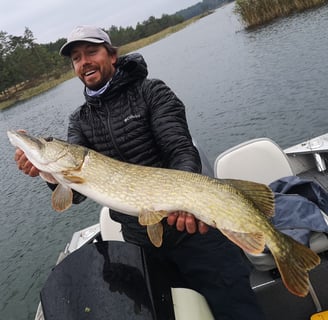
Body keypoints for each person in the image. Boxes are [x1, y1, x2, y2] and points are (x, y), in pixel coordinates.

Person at [14, 25, 265, 319]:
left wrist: (183, 201)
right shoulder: (79, 122)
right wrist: (47, 174)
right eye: (76, 58)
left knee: (238, 312)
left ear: (113, 56)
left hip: (194, 235)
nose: (84, 62)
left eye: (91, 52)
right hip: (142, 245)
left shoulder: (151, 92)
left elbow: (182, 151)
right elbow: (77, 194)